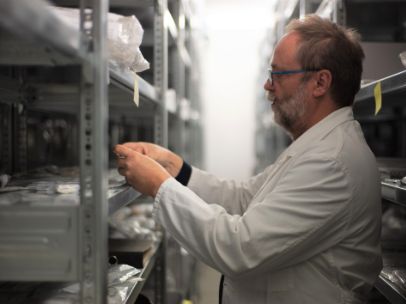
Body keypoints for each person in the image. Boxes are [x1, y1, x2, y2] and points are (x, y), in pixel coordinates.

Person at [115, 14, 382, 304]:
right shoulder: (316, 146)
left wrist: (160, 186)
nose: (268, 86)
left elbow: (240, 248)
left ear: (320, 82)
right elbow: (245, 198)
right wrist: (174, 167)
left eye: (277, 75)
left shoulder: (332, 162)